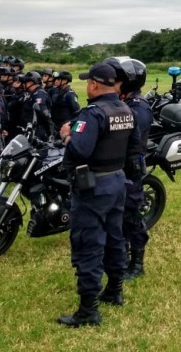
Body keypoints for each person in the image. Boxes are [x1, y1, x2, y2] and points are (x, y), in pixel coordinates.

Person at [56, 63, 139, 328]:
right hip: (116, 181)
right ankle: (115, 290)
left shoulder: (93, 114)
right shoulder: (125, 109)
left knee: (88, 243)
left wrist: (67, 135)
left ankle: (88, 310)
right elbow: (134, 146)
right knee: (114, 237)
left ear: (93, 85)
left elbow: (80, 149)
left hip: (93, 186)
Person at [104, 57, 152, 281]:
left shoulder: (138, 108)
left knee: (131, 215)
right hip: (116, 168)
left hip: (130, 170)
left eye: (116, 80)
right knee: (116, 217)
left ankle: (137, 263)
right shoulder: (121, 105)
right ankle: (120, 258)